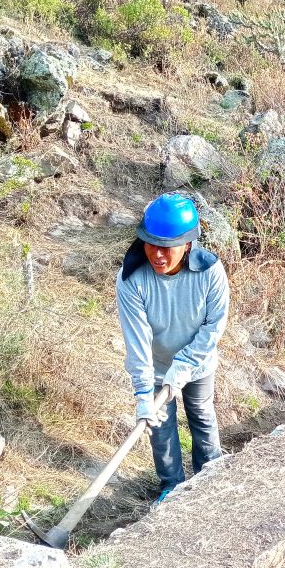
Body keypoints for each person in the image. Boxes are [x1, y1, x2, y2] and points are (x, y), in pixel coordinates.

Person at [116, 193, 230, 502]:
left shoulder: (210, 273)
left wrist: (186, 364)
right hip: (155, 366)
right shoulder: (132, 279)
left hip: (198, 361)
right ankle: (172, 488)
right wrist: (142, 392)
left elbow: (214, 326)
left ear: (189, 243)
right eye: (150, 243)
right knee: (160, 428)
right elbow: (136, 340)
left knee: (202, 415)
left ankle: (211, 479)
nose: (157, 255)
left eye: (167, 247)